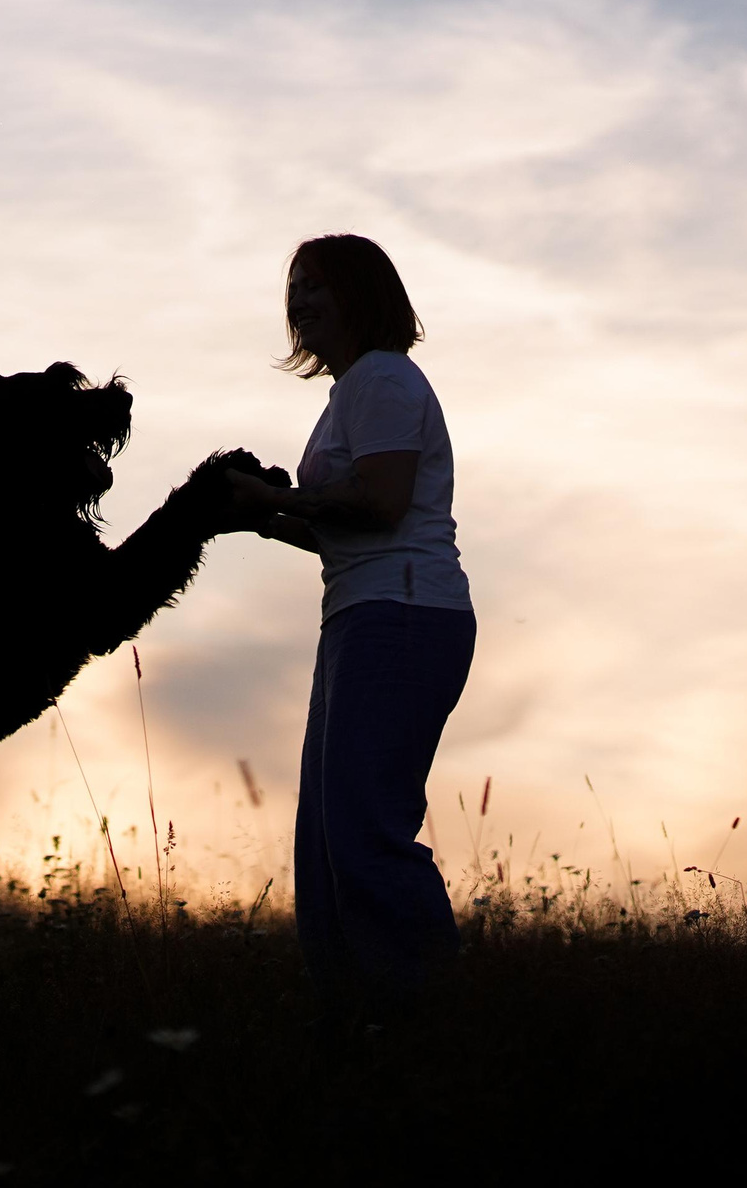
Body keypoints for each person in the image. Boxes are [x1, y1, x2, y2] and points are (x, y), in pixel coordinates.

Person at [227, 234, 475, 1010]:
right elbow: (347, 523)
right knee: (328, 841)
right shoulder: (352, 391)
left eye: (317, 285)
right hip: (362, 615)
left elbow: (383, 502)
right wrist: (263, 519)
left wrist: (274, 500)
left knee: (364, 832)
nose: (299, 301)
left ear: (360, 294)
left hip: (402, 612)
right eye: (293, 287)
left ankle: (432, 1015)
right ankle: (359, 1020)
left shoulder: (383, 378)